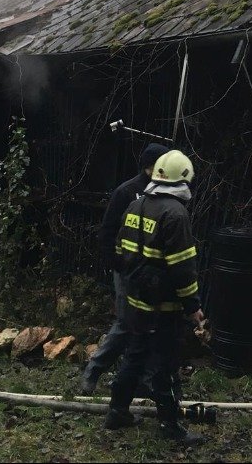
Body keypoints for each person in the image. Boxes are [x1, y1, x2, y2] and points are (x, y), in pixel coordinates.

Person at [105, 149, 205, 446]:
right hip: (165, 307)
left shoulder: (136, 206)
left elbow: (121, 251)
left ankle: (117, 411)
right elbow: (183, 268)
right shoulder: (175, 214)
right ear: (183, 179)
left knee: (134, 356)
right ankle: (171, 426)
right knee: (165, 364)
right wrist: (193, 307)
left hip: (137, 302)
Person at [80, 142, 169, 395]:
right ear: (150, 166)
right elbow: (107, 232)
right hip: (127, 269)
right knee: (127, 322)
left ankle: (141, 380)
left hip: (152, 273)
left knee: (152, 323)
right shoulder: (127, 192)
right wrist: (117, 264)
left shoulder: (163, 193)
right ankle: (94, 370)